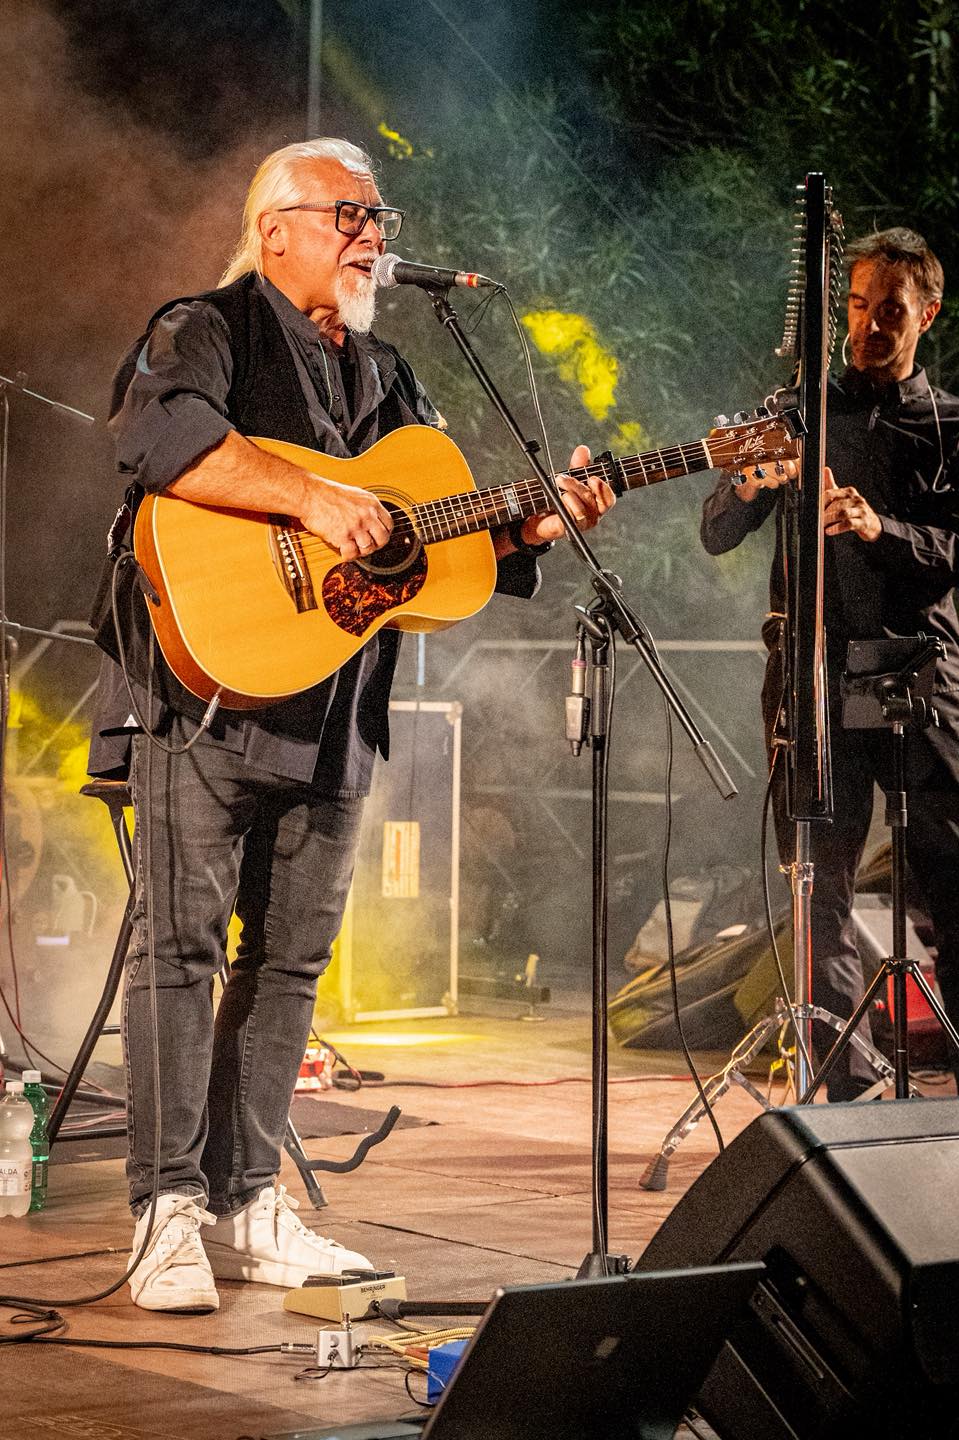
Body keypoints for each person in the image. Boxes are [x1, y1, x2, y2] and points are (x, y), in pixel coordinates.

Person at [87, 137, 615, 1313]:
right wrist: (315, 498)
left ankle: (245, 1202)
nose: (373, 234)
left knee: (288, 962)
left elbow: (434, 538)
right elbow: (158, 438)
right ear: (274, 229)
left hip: (335, 710)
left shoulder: (390, 379)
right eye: (349, 214)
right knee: (178, 951)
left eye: (380, 217)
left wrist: (529, 529)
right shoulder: (208, 327)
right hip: (205, 691)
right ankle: (165, 1209)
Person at [700, 227, 959, 1101]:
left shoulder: (950, 422)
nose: (868, 327)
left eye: (890, 311)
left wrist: (882, 528)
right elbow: (716, 530)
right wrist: (752, 480)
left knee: (952, 885)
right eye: (856, 306)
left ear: (927, 314)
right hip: (813, 679)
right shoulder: (795, 411)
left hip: (926, 681)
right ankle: (845, 1091)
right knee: (818, 893)